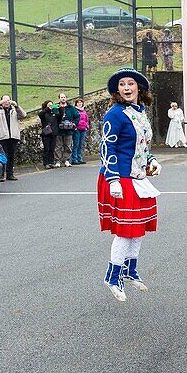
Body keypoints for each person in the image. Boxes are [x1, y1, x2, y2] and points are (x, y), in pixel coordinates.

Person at [99, 67, 161, 302]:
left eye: (130, 84)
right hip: (120, 178)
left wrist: (152, 160)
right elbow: (106, 147)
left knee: (139, 228)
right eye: (122, 84)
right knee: (125, 231)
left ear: (139, 88)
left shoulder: (141, 112)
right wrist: (113, 178)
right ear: (117, 89)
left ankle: (129, 270)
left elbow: (143, 145)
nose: (126, 88)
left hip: (138, 178)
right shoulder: (114, 114)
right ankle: (112, 276)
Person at [0, 95, 26, 181]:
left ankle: (10, 174)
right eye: (4, 100)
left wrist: (17, 106)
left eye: (8, 100)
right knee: (1, 156)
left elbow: (23, 115)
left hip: (13, 136)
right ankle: (1, 174)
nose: (6, 102)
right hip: (2, 136)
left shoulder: (14, 110)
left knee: (11, 156)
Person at [55, 94, 80, 168]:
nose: (63, 99)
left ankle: (66, 160)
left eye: (64, 97)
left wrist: (74, 123)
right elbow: (52, 116)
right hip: (59, 129)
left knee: (68, 146)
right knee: (58, 146)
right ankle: (57, 161)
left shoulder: (71, 108)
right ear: (59, 98)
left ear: (66, 98)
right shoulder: (56, 107)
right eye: (61, 97)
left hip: (69, 130)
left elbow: (77, 116)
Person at [39, 100, 59, 169]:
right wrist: (47, 109)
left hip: (53, 133)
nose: (51, 106)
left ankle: (51, 162)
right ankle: (46, 163)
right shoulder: (44, 112)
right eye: (49, 105)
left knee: (52, 149)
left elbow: (60, 116)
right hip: (46, 133)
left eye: (52, 105)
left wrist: (58, 108)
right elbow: (40, 115)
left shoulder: (54, 112)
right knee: (46, 149)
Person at [72, 98, 90, 165]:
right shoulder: (74, 110)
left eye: (81, 102)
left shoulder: (84, 111)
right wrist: (75, 127)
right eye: (78, 102)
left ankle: (79, 158)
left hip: (83, 129)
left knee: (81, 144)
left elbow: (87, 120)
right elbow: (73, 119)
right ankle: (74, 159)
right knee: (76, 144)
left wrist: (86, 126)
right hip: (77, 129)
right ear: (76, 104)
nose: (80, 103)